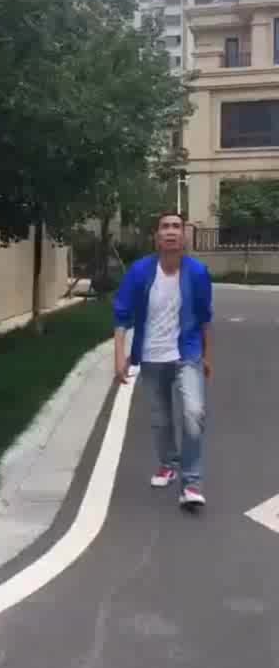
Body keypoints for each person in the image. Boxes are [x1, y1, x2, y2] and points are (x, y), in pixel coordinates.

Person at [113, 212, 213, 508]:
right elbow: (122, 315)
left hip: (187, 353)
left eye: (176, 227)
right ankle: (168, 464)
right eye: (165, 227)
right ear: (157, 237)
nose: (171, 231)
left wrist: (207, 355)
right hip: (151, 357)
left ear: (184, 235)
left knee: (193, 414)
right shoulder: (140, 271)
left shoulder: (197, 273)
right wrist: (120, 357)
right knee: (161, 420)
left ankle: (191, 483)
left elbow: (205, 317)